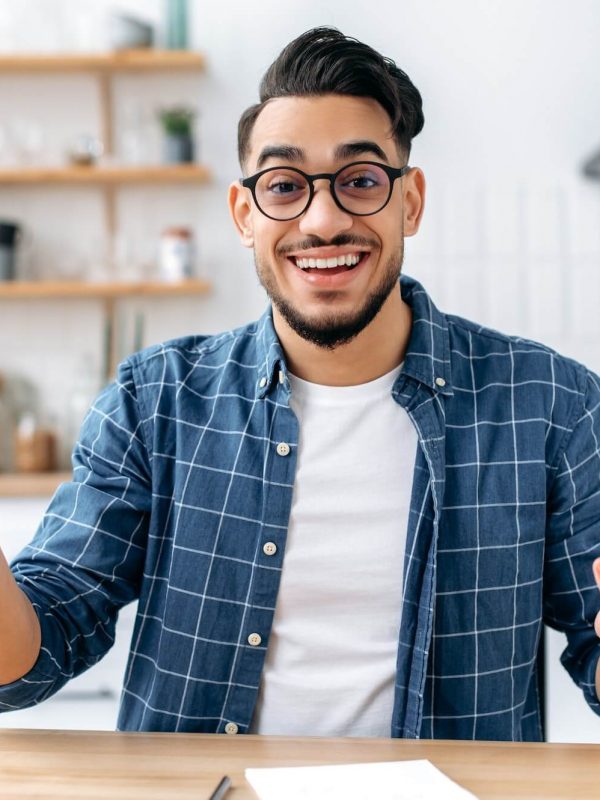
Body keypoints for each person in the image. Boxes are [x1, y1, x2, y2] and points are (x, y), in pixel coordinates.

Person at [1, 27, 599, 741]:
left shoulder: (552, 407)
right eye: (284, 186)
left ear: (409, 201)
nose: (324, 220)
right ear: (244, 213)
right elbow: (38, 647)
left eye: (361, 181)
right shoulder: (154, 402)